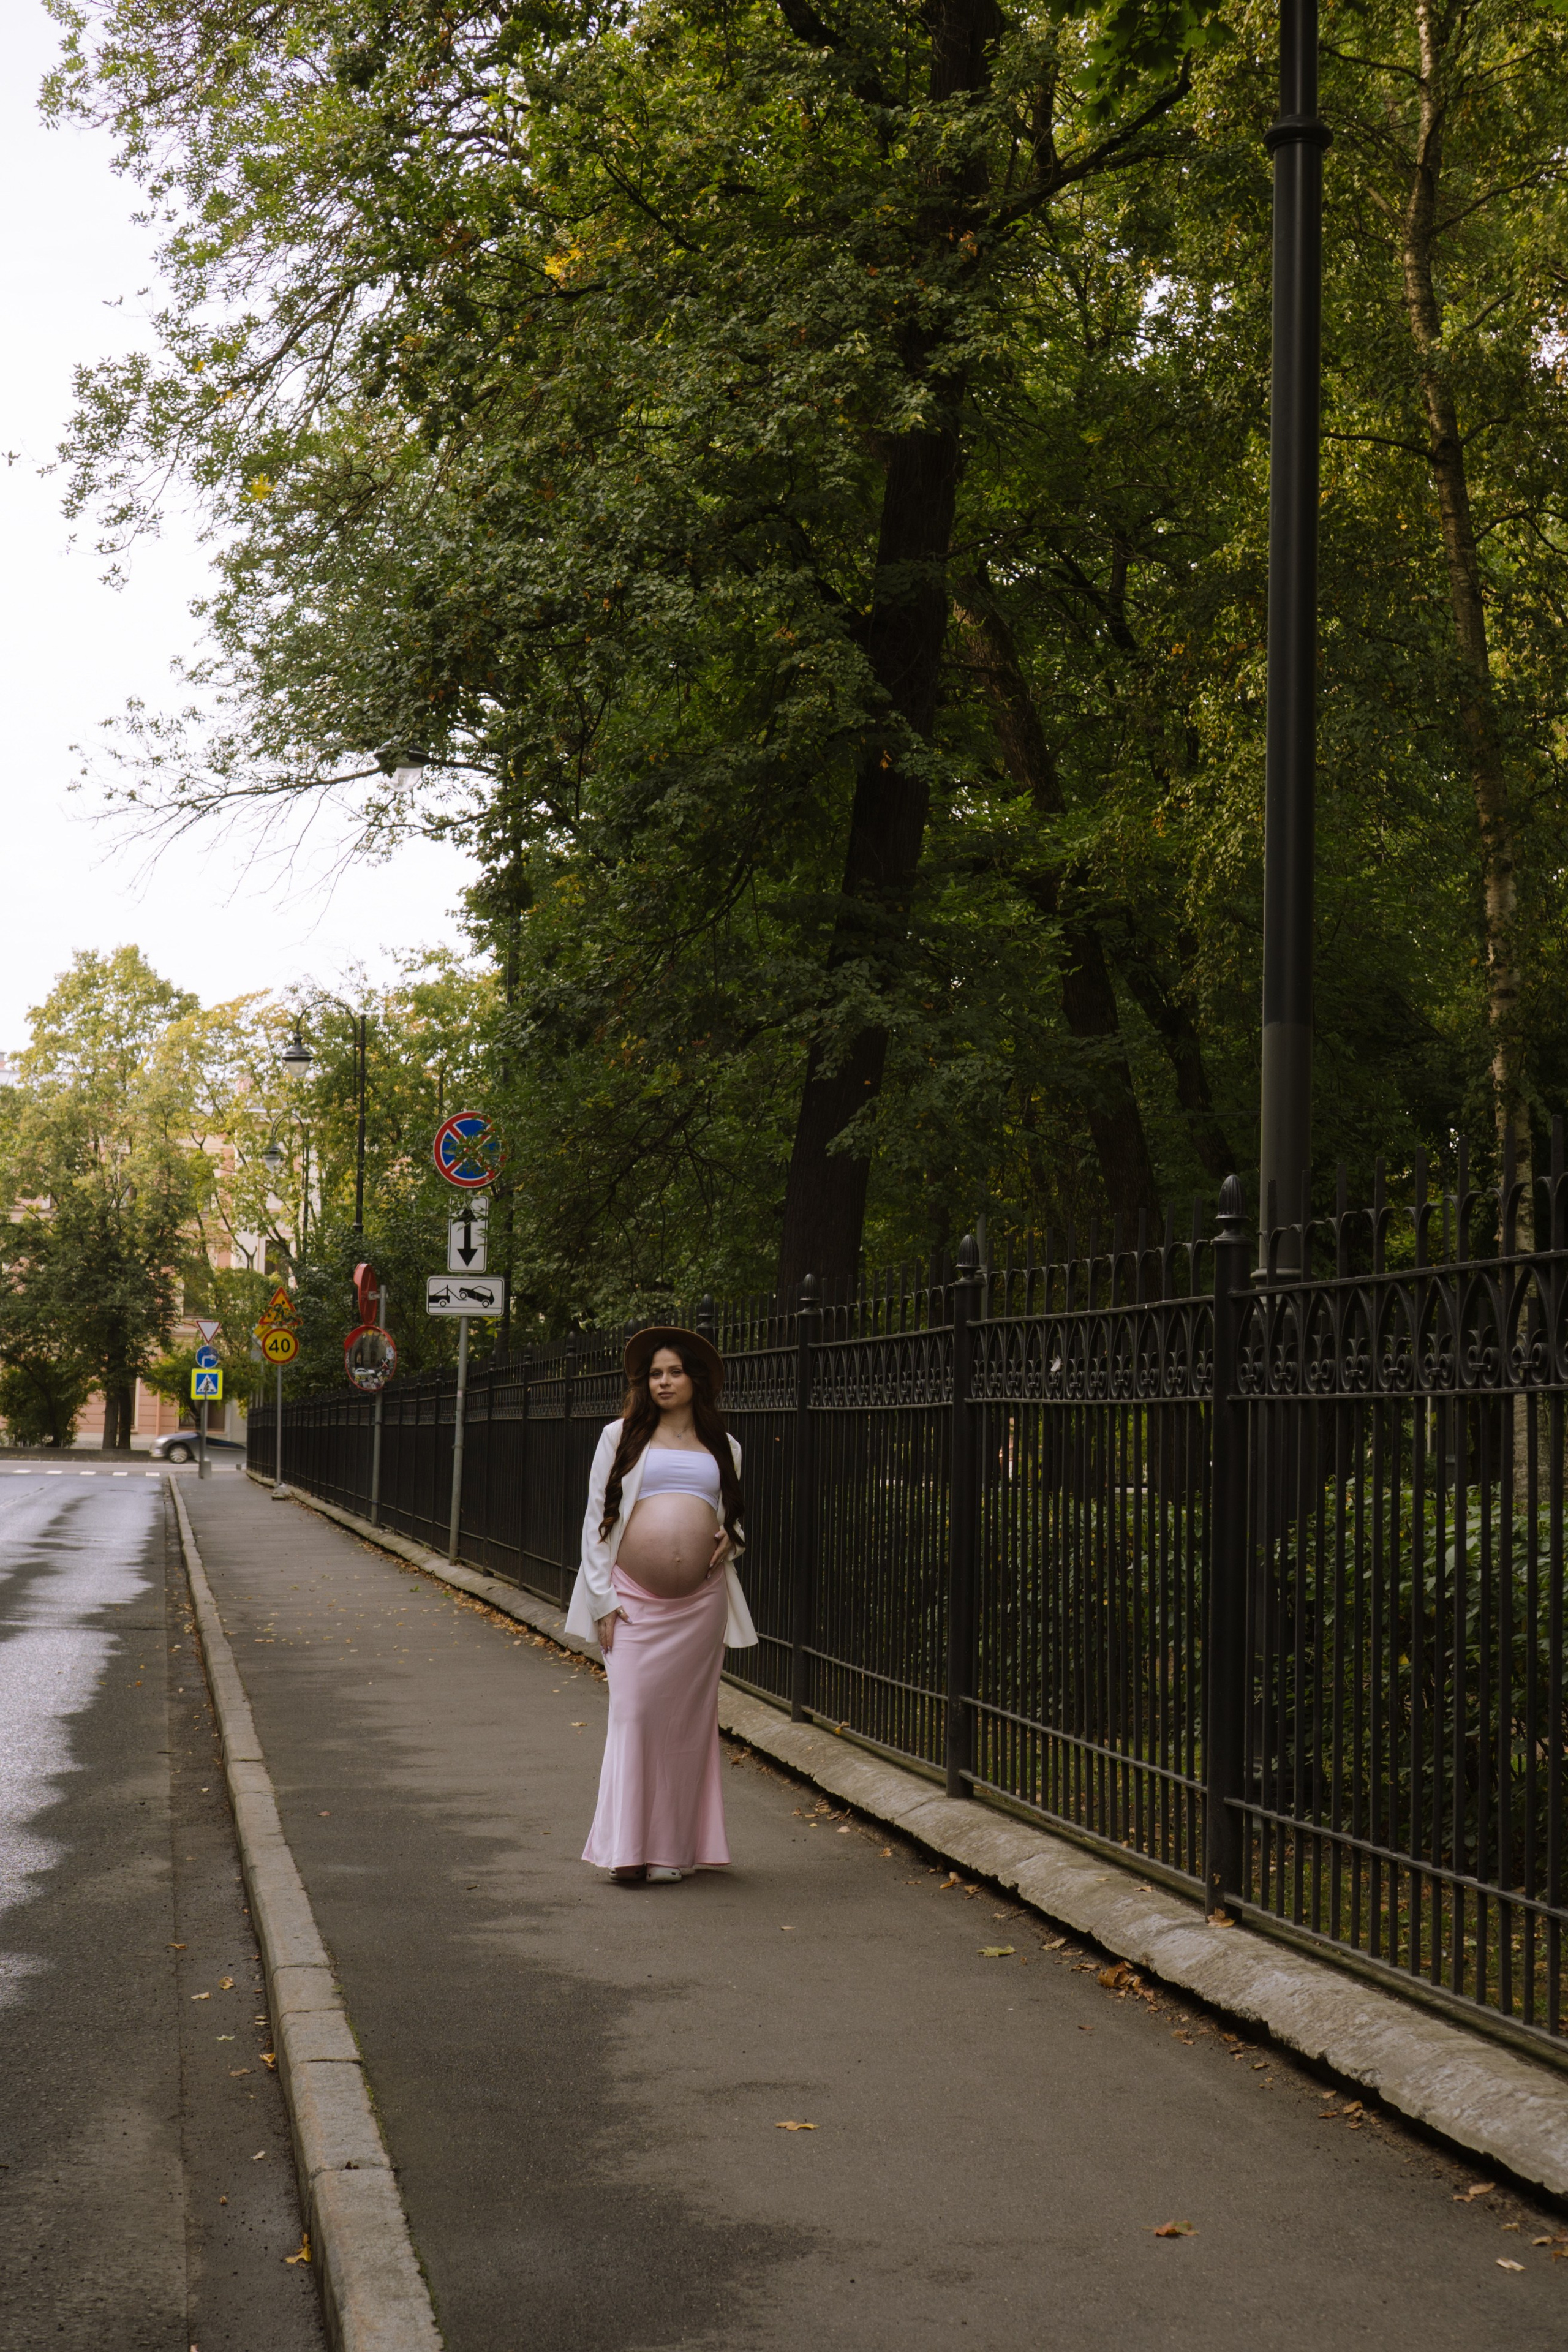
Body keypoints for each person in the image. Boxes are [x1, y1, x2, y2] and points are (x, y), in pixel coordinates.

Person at [566, 1327, 757, 1883]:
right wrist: (601, 1598)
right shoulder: (619, 1437)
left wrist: (733, 1539)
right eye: (656, 1374)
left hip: (700, 1605)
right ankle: (627, 1849)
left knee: (687, 1726)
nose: (665, 1382)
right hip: (631, 1600)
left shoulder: (725, 1445)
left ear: (696, 1379)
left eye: (674, 1372)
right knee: (635, 1714)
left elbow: (735, 1521)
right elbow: (594, 1520)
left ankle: (672, 1853)